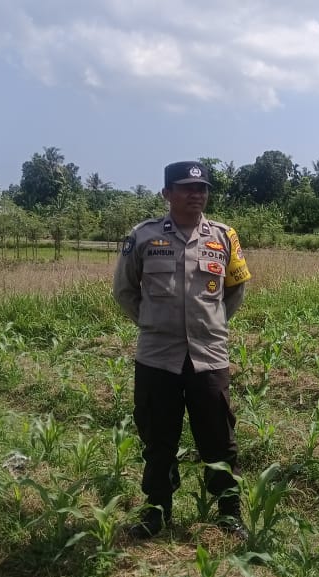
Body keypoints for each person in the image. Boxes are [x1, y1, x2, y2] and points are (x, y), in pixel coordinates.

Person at [112, 160, 251, 539]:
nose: (197, 194)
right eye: (187, 188)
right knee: (158, 440)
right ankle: (156, 513)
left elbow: (235, 289)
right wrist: (154, 323)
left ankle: (229, 513)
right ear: (166, 194)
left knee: (220, 440)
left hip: (209, 356)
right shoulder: (142, 236)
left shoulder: (224, 237)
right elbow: (124, 291)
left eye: (203, 188)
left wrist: (214, 323)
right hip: (157, 357)